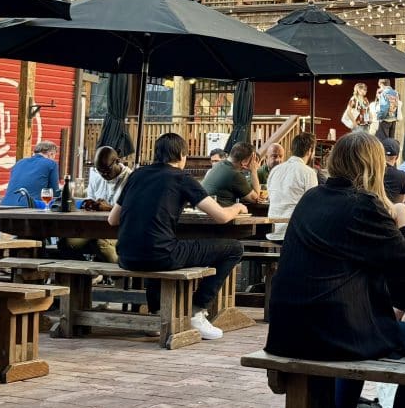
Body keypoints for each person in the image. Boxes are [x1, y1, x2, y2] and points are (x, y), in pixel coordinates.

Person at [265, 132, 405, 408]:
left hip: (287, 331)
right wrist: (404, 217)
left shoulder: (312, 198)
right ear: (375, 165)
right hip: (328, 334)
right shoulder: (364, 204)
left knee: (359, 324)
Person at [109, 132, 247, 341]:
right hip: (161, 255)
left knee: (157, 242)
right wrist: (238, 206)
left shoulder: (137, 174)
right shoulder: (182, 178)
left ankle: (157, 313)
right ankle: (197, 310)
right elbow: (221, 216)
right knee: (234, 248)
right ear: (182, 155)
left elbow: (112, 219)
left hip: (126, 257)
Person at [64, 146, 132, 263]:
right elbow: (90, 199)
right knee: (67, 242)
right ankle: (86, 276)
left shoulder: (131, 178)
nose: (103, 174)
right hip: (93, 227)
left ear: (117, 161)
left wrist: (109, 208)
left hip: (119, 230)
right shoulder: (96, 176)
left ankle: (120, 274)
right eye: (99, 170)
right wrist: (89, 204)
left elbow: (132, 212)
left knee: (101, 243)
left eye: (106, 170)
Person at [265, 132, 318, 241]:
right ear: (310, 151)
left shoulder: (275, 170)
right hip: (295, 233)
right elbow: (312, 204)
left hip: (273, 231)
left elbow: (270, 197)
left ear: (292, 150)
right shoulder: (308, 172)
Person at [1, 141, 60, 206]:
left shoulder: (19, 162)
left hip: (5, 204)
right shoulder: (51, 164)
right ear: (50, 154)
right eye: (54, 156)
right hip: (28, 207)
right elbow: (54, 192)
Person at [201, 142, 261, 207]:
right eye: (253, 160)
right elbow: (255, 199)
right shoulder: (235, 174)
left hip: (203, 211)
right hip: (216, 214)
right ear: (244, 161)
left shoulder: (219, 165)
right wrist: (254, 171)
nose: (254, 163)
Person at [381, 137, 405, 203]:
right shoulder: (402, 176)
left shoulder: (370, 172)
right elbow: (400, 201)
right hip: (389, 211)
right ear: (397, 157)